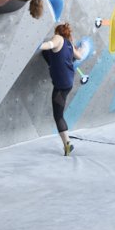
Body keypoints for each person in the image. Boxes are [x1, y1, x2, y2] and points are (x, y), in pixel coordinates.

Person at [39, 23, 84, 156]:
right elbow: (79, 56)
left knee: (58, 116)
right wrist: (79, 46)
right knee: (46, 54)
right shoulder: (69, 44)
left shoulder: (58, 38)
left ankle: (67, 144)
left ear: (58, 32)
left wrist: (37, 45)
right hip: (67, 83)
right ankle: (67, 144)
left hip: (60, 84)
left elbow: (50, 45)